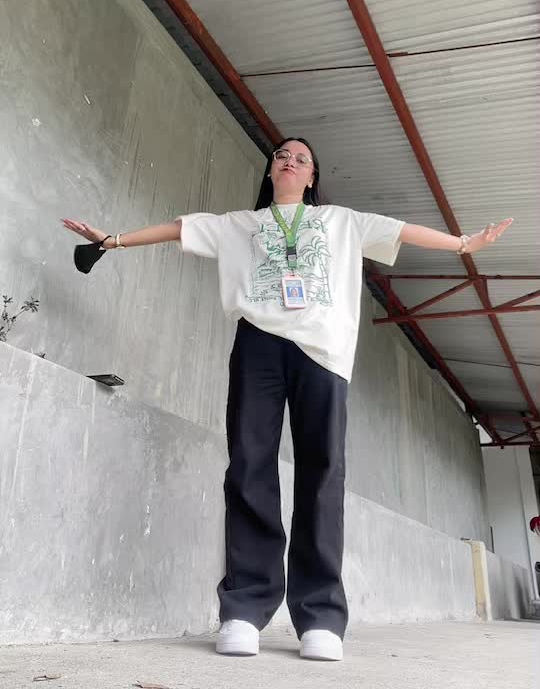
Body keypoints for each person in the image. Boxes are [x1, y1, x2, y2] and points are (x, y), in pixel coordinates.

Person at [62, 137, 513, 661]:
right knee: (249, 465)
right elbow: (179, 228)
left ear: (313, 176)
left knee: (323, 473)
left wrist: (462, 244)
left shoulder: (341, 221)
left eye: (301, 158)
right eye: (281, 155)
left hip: (323, 351)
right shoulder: (240, 225)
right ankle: (244, 608)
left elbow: (400, 230)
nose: (290, 161)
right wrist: (112, 241)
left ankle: (320, 617)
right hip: (258, 343)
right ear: (270, 170)